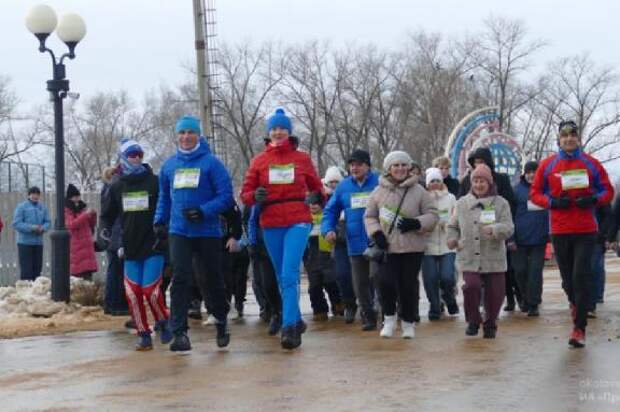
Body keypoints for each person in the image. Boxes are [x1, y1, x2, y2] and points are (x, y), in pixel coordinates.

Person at [240, 108, 324, 350]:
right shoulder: (259, 161)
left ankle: (289, 329)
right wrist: (254, 195)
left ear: (289, 132)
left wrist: (317, 197)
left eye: (282, 128)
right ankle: (296, 319)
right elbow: (245, 195)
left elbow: (317, 188)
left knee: (288, 274)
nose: (278, 132)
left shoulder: (302, 159)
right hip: (271, 221)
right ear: (269, 133)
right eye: (274, 129)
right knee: (280, 276)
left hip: (298, 219)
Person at [530, 120, 614, 348]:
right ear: (559, 139)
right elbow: (534, 193)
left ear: (578, 138)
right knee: (568, 280)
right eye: (564, 136)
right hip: (559, 229)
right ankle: (575, 304)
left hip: (586, 229)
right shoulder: (548, 165)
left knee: (581, 276)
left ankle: (579, 329)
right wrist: (553, 202)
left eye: (572, 135)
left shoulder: (591, 163)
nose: (569, 139)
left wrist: (593, 199)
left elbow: (608, 191)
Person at [154, 115, 234, 352]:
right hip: (179, 230)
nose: (186, 137)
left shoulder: (212, 163)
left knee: (211, 278)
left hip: (207, 231)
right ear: (177, 136)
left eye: (190, 132)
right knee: (180, 278)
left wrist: (204, 211)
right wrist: (159, 220)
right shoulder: (169, 166)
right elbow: (164, 198)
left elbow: (226, 197)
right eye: (182, 133)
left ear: (198, 135)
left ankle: (220, 320)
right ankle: (180, 332)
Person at [101, 139, 172, 351]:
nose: (136, 157)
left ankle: (163, 321)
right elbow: (107, 215)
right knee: (133, 293)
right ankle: (143, 334)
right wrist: (105, 233)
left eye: (139, 153)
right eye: (131, 154)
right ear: (123, 157)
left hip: (153, 245)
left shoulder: (155, 181)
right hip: (129, 248)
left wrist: (165, 230)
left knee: (150, 290)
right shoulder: (117, 186)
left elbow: (167, 206)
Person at [364, 151, 438, 338]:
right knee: (386, 283)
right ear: (389, 168)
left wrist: (417, 222)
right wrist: (376, 232)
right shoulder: (378, 191)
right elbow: (369, 216)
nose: (400, 168)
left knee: (408, 286)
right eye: (396, 165)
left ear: (409, 167)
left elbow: (433, 215)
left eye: (404, 165)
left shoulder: (419, 190)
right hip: (388, 247)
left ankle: (408, 323)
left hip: (413, 247)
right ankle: (389, 319)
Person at [448, 164, 514, 339]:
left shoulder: (501, 203)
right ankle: (473, 320)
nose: (479, 184)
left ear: (490, 182)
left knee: (495, 293)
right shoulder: (461, 203)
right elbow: (452, 225)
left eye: (482, 181)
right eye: (475, 181)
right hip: (468, 254)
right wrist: (452, 238)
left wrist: (495, 229)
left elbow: (509, 227)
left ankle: (491, 323)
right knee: (471, 286)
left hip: (493, 256)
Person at [322, 150, 380, 330]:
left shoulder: (379, 182)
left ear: (367, 165)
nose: (354, 168)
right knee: (360, 283)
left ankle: (386, 311)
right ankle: (368, 316)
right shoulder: (343, 187)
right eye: (352, 164)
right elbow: (330, 211)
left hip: (378, 240)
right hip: (354, 242)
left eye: (359, 164)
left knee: (379, 278)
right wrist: (328, 229)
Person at [458, 146, 521, 312]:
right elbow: (460, 205)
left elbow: (510, 203)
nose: (479, 165)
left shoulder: (501, 178)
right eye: (475, 162)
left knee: (501, 272)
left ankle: (511, 298)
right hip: (472, 234)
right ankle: (481, 305)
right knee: (474, 277)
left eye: (482, 161)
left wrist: (501, 224)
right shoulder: (466, 180)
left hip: (497, 232)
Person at [510, 161, 549, 317]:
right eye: (529, 172)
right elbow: (509, 216)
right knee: (520, 271)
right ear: (524, 174)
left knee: (535, 272)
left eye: (535, 171)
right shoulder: (516, 191)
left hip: (539, 239)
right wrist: (510, 238)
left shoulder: (546, 190)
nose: (532, 174)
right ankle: (525, 297)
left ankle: (533, 303)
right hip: (519, 239)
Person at [421, 167, 459, 320]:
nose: (435, 184)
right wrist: (424, 226)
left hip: (446, 243)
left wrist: (448, 224)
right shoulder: (422, 198)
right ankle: (435, 307)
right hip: (427, 245)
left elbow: (456, 217)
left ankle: (449, 298)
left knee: (447, 277)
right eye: (432, 181)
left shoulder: (450, 198)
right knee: (430, 278)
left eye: (437, 180)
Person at [322, 166, 356, 322]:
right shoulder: (322, 197)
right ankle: (349, 304)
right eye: (331, 182)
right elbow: (327, 215)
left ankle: (367, 304)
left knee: (365, 275)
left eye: (337, 181)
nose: (334, 184)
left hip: (354, 236)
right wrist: (329, 230)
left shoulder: (346, 191)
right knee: (342, 274)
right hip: (337, 240)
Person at [303, 197, 343, 321]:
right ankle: (319, 310)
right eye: (310, 203)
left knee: (331, 282)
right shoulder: (304, 220)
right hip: (310, 256)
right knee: (314, 286)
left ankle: (338, 305)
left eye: (316, 203)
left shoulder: (327, 217)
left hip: (327, 255)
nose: (313, 205)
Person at [247, 204, 282, 335]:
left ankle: (290, 315)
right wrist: (253, 242)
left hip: (282, 244)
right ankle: (275, 312)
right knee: (267, 284)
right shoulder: (260, 198)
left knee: (287, 281)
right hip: (263, 248)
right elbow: (252, 221)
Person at [99, 166, 129, 316]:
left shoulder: (107, 188)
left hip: (111, 235)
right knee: (118, 271)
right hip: (117, 234)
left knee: (113, 270)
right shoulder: (116, 188)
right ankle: (117, 304)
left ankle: (111, 303)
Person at [12, 186, 50, 281]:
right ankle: (25, 292)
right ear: (29, 195)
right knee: (26, 271)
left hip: (38, 243)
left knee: (37, 270)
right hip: (25, 243)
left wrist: (43, 228)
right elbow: (16, 223)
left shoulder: (43, 207)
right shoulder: (22, 207)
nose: (35, 196)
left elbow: (48, 221)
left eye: (37, 194)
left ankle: (35, 293)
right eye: (33, 194)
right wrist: (31, 228)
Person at [65, 184, 98, 281]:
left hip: (87, 246)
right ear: (70, 198)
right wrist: (85, 215)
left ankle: (88, 294)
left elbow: (91, 225)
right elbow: (71, 225)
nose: (77, 199)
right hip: (76, 246)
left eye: (78, 196)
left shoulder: (82, 208)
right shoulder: (67, 210)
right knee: (78, 277)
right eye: (75, 197)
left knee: (88, 275)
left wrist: (93, 215)